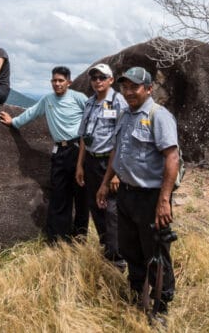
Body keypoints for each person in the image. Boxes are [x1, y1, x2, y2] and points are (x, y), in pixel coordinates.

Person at [95, 67, 180, 321]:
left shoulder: (158, 116)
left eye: (135, 87)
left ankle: (161, 307)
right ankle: (136, 297)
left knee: (155, 252)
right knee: (130, 249)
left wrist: (164, 200)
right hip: (126, 195)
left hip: (151, 197)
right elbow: (116, 151)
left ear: (148, 89)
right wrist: (105, 182)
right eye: (125, 87)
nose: (129, 91)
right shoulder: (124, 115)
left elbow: (172, 157)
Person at [0, 66, 88, 243]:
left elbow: (92, 118)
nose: (57, 84)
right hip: (60, 152)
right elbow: (32, 113)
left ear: (68, 82)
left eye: (61, 80)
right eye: (54, 80)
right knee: (59, 195)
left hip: (79, 150)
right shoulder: (47, 100)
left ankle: (80, 238)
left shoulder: (79, 98)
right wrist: (13, 122)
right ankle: (58, 239)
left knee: (81, 196)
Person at [75, 63, 127, 266]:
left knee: (112, 209)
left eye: (102, 77)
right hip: (91, 161)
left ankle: (118, 257)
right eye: (94, 77)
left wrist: (116, 174)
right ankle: (107, 247)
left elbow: (122, 139)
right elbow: (83, 137)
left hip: (110, 162)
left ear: (111, 80)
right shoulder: (89, 103)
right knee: (96, 206)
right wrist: (80, 165)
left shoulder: (118, 102)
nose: (97, 81)